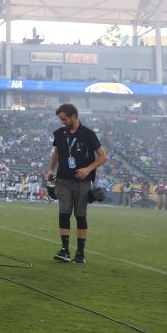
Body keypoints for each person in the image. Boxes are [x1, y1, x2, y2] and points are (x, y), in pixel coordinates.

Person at [46, 103, 108, 265]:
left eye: (64, 119)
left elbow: (103, 156)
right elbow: (56, 153)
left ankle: (80, 253)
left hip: (82, 182)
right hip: (63, 180)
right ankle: (65, 250)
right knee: (64, 213)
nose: (62, 122)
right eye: (60, 119)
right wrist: (50, 169)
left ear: (74, 116)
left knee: (80, 216)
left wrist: (88, 169)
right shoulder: (59, 134)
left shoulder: (88, 134)